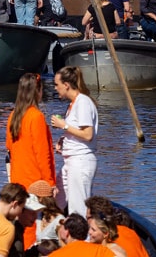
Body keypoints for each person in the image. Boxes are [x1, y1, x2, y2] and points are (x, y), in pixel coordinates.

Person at [51, 66, 98, 218]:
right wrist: (64, 140)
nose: (55, 88)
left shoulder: (83, 102)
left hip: (81, 161)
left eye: (56, 84)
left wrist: (63, 125)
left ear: (66, 85)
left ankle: (82, 238)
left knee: (78, 209)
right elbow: (77, 131)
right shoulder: (73, 104)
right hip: (70, 161)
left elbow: (88, 134)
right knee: (57, 197)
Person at [6, 73, 56, 191]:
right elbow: (43, 154)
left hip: (18, 180)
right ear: (37, 92)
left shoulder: (13, 115)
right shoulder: (36, 116)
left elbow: (9, 146)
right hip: (36, 182)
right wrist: (49, 183)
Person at [50, 214, 114, 257]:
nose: (60, 227)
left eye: (62, 225)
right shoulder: (100, 250)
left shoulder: (55, 255)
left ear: (66, 232)